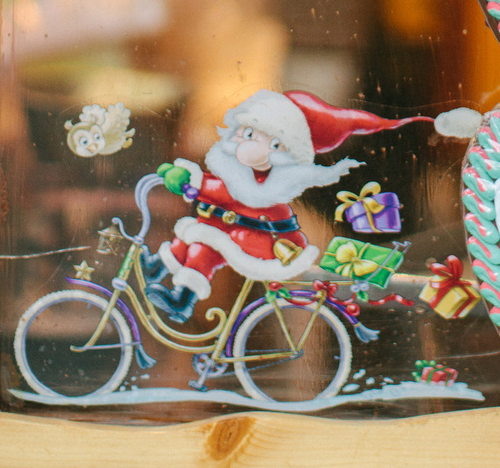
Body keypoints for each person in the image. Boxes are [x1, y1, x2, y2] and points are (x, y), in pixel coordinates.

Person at [142, 88, 474, 321]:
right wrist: (190, 181)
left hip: (267, 246)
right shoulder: (243, 178)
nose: (244, 142)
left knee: (205, 242)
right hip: (251, 237)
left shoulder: (266, 190)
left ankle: (180, 297)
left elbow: (227, 194)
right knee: (200, 235)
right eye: (245, 133)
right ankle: (162, 267)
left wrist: (196, 184)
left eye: (257, 137)